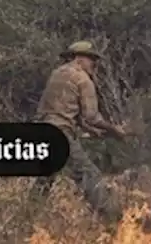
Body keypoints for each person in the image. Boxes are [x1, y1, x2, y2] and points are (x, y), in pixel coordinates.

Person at [31, 40, 130, 219]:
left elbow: (61, 109)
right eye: (91, 59)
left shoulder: (57, 74)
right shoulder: (82, 79)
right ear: (79, 59)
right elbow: (92, 116)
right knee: (89, 176)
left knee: (45, 179)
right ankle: (111, 220)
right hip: (60, 134)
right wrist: (115, 130)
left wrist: (91, 130)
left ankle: (25, 218)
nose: (94, 64)